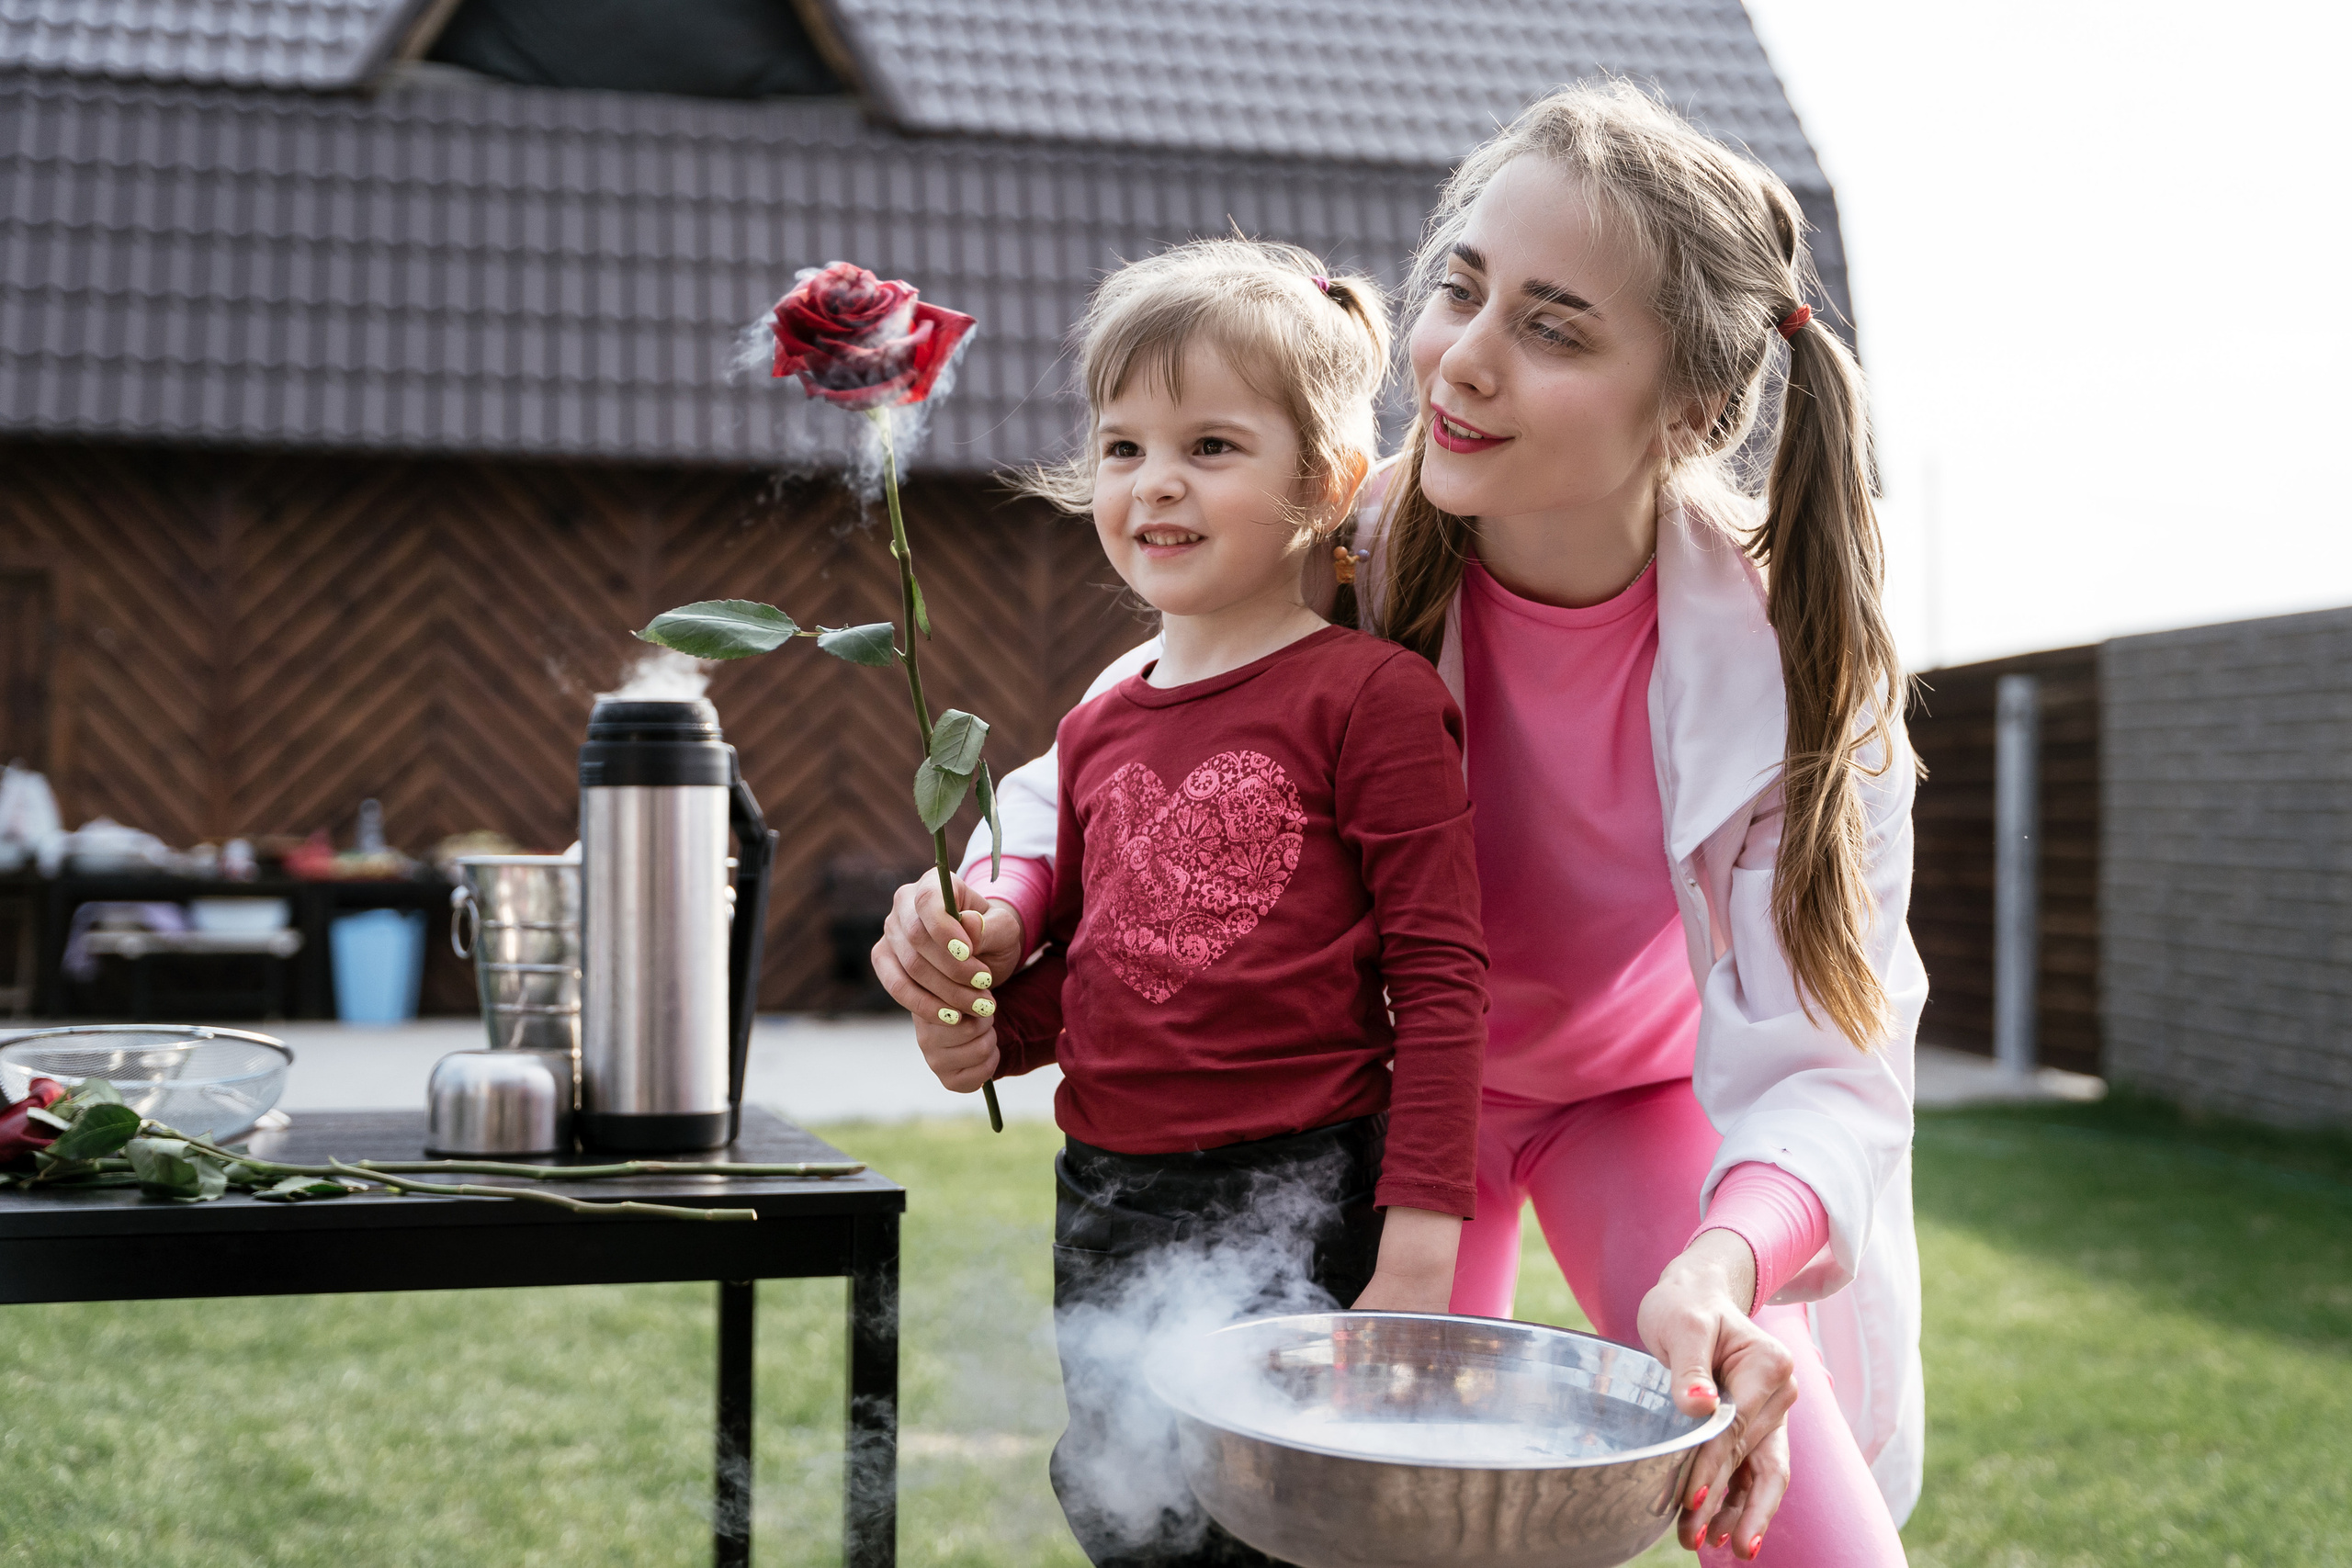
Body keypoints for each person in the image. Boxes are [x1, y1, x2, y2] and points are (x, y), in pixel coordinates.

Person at [876, 83, 1926, 1566]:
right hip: (1389, 1108)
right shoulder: (1348, 558)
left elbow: (1833, 1072)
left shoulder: (1798, 673)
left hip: (1634, 1107)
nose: (1464, 361)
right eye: (1462, 288)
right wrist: (992, 893)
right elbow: (1118, 738)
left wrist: (1723, 1259)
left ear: (1689, 407)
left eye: (1554, 328)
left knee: (1822, 1544)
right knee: (1372, 1538)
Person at [902, 238, 1489, 1567]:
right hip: (1105, 1191)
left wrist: (1413, 1257)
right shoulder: (1101, 725)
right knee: (1126, 1508)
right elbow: (1124, 962)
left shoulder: (1370, 699)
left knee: (1285, 1531)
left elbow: (1444, 989)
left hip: (1301, 1187)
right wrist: (990, 1028)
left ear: (1327, 483)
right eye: (1122, 447)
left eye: (1211, 445)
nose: (1154, 480)